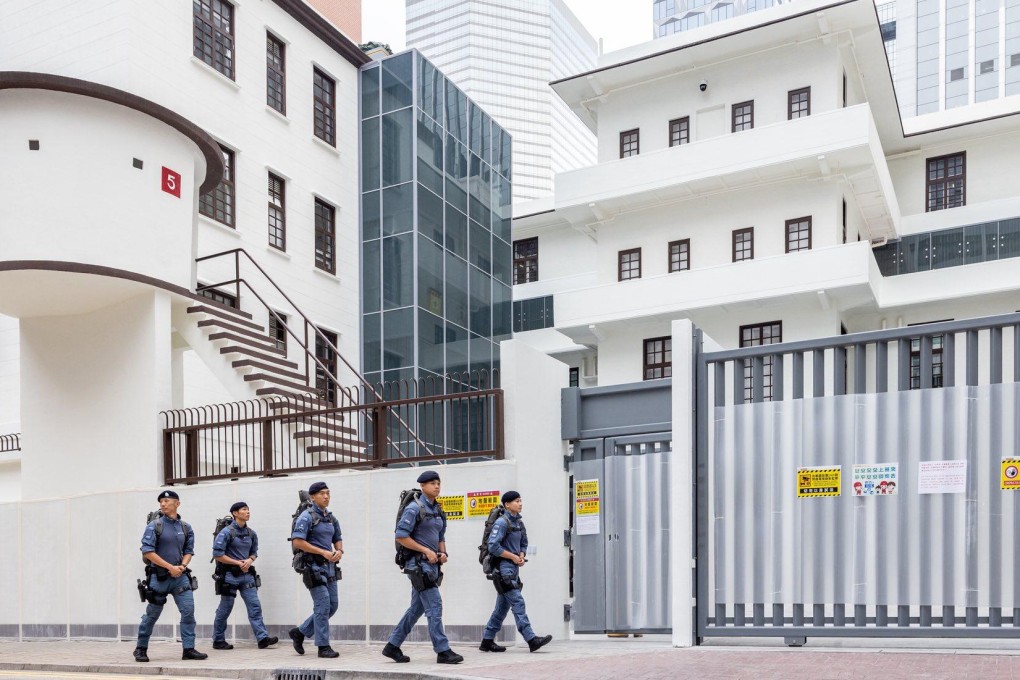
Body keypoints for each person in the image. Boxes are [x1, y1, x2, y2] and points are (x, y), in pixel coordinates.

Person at [382, 470, 463, 665]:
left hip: (432, 565)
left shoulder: (438, 510)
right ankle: (443, 650)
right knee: (435, 606)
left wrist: (443, 552)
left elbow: (441, 535)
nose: (437, 486)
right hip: (418, 566)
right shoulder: (414, 508)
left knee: (416, 608)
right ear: (422, 486)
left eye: (438, 482)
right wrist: (425, 551)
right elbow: (401, 536)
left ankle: (392, 646)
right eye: (432, 483)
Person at [134, 490, 207, 662]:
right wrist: (169, 567)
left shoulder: (186, 527)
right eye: (161, 501)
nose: (163, 504)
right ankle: (141, 648)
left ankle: (189, 649)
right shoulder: (154, 526)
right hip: (159, 578)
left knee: (188, 612)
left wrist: (181, 566)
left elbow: (189, 551)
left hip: (180, 577)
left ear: (177, 503)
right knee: (152, 615)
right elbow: (148, 551)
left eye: (167, 501)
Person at [479, 491, 552, 653]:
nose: (520, 503)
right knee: (518, 602)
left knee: (502, 608)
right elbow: (493, 546)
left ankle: (487, 641)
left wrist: (521, 555)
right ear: (507, 504)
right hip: (503, 569)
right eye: (516, 501)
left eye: (521, 500)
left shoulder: (519, 523)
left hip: (513, 569)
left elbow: (524, 542)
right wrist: (512, 557)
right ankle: (531, 639)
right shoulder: (502, 523)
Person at [211, 501, 278, 650]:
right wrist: (236, 562)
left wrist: (249, 560)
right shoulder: (227, 532)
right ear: (235, 513)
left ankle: (262, 638)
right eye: (244, 510)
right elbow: (217, 554)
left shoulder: (251, 533)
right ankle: (218, 639)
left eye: (248, 509)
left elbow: (254, 552)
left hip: (247, 575)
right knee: (225, 608)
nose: (247, 512)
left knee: (255, 606)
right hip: (229, 576)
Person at [289, 481, 343, 659]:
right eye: (322, 494)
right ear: (313, 497)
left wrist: (339, 551)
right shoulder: (306, 516)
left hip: (330, 567)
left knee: (332, 605)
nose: (326, 496)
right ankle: (323, 646)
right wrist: (323, 552)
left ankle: (300, 632)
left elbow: (337, 537)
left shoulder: (330, 517)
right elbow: (297, 541)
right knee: (323, 604)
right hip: (312, 566)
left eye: (328, 493)